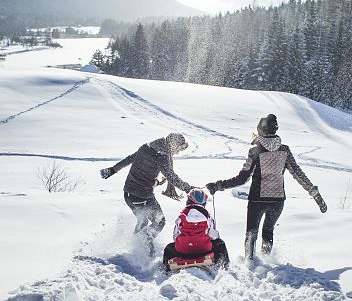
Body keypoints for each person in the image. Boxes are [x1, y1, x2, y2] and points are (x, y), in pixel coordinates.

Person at [206, 114, 327, 261]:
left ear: (261, 131)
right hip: (278, 201)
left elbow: (242, 178)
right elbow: (298, 174)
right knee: (268, 231)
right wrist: (314, 193)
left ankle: (249, 263)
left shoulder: (255, 152)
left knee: (251, 233)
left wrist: (219, 185)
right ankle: (266, 261)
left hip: (257, 200)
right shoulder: (285, 150)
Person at [100, 133, 193, 253]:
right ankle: (144, 244)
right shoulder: (162, 156)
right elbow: (171, 176)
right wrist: (188, 188)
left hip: (128, 193)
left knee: (143, 221)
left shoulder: (145, 147)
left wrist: (112, 170)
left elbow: (129, 159)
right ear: (173, 145)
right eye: (178, 148)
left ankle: (136, 248)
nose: (178, 152)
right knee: (160, 222)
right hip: (142, 196)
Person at [162, 188, 230, 271]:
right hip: (203, 251)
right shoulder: (208, 217)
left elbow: (175, 236)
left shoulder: (181, 217)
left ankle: (165, 270)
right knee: (220, 244)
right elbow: (214, 236)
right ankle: (224, 267)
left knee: (169, 248)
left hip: (183, 252)